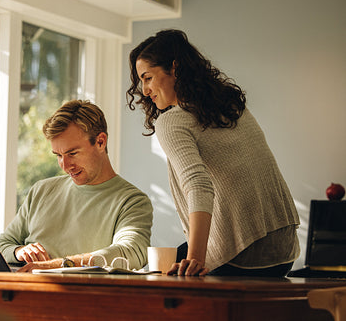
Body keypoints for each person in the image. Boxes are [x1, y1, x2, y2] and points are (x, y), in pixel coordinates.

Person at [126, 29, 300, 277]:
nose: (144, 90)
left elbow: (197, 184)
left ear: (174, 69)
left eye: (148, 78)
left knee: (156, 278)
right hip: (285, 251)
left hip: (245, 254)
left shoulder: (171, 121)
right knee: (163, 265)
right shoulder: (231, 106)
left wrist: (195, 259)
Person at [0, 99, 153, 273]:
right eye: (58, 155)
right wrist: (19, 251)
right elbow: (2, 245)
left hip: (73, 295)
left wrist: (53, 266)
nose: (65, 165)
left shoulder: (132, 201)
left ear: (100, 142)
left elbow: (130, 253)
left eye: (73, 153)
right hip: (19, 290)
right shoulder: (41, 190)